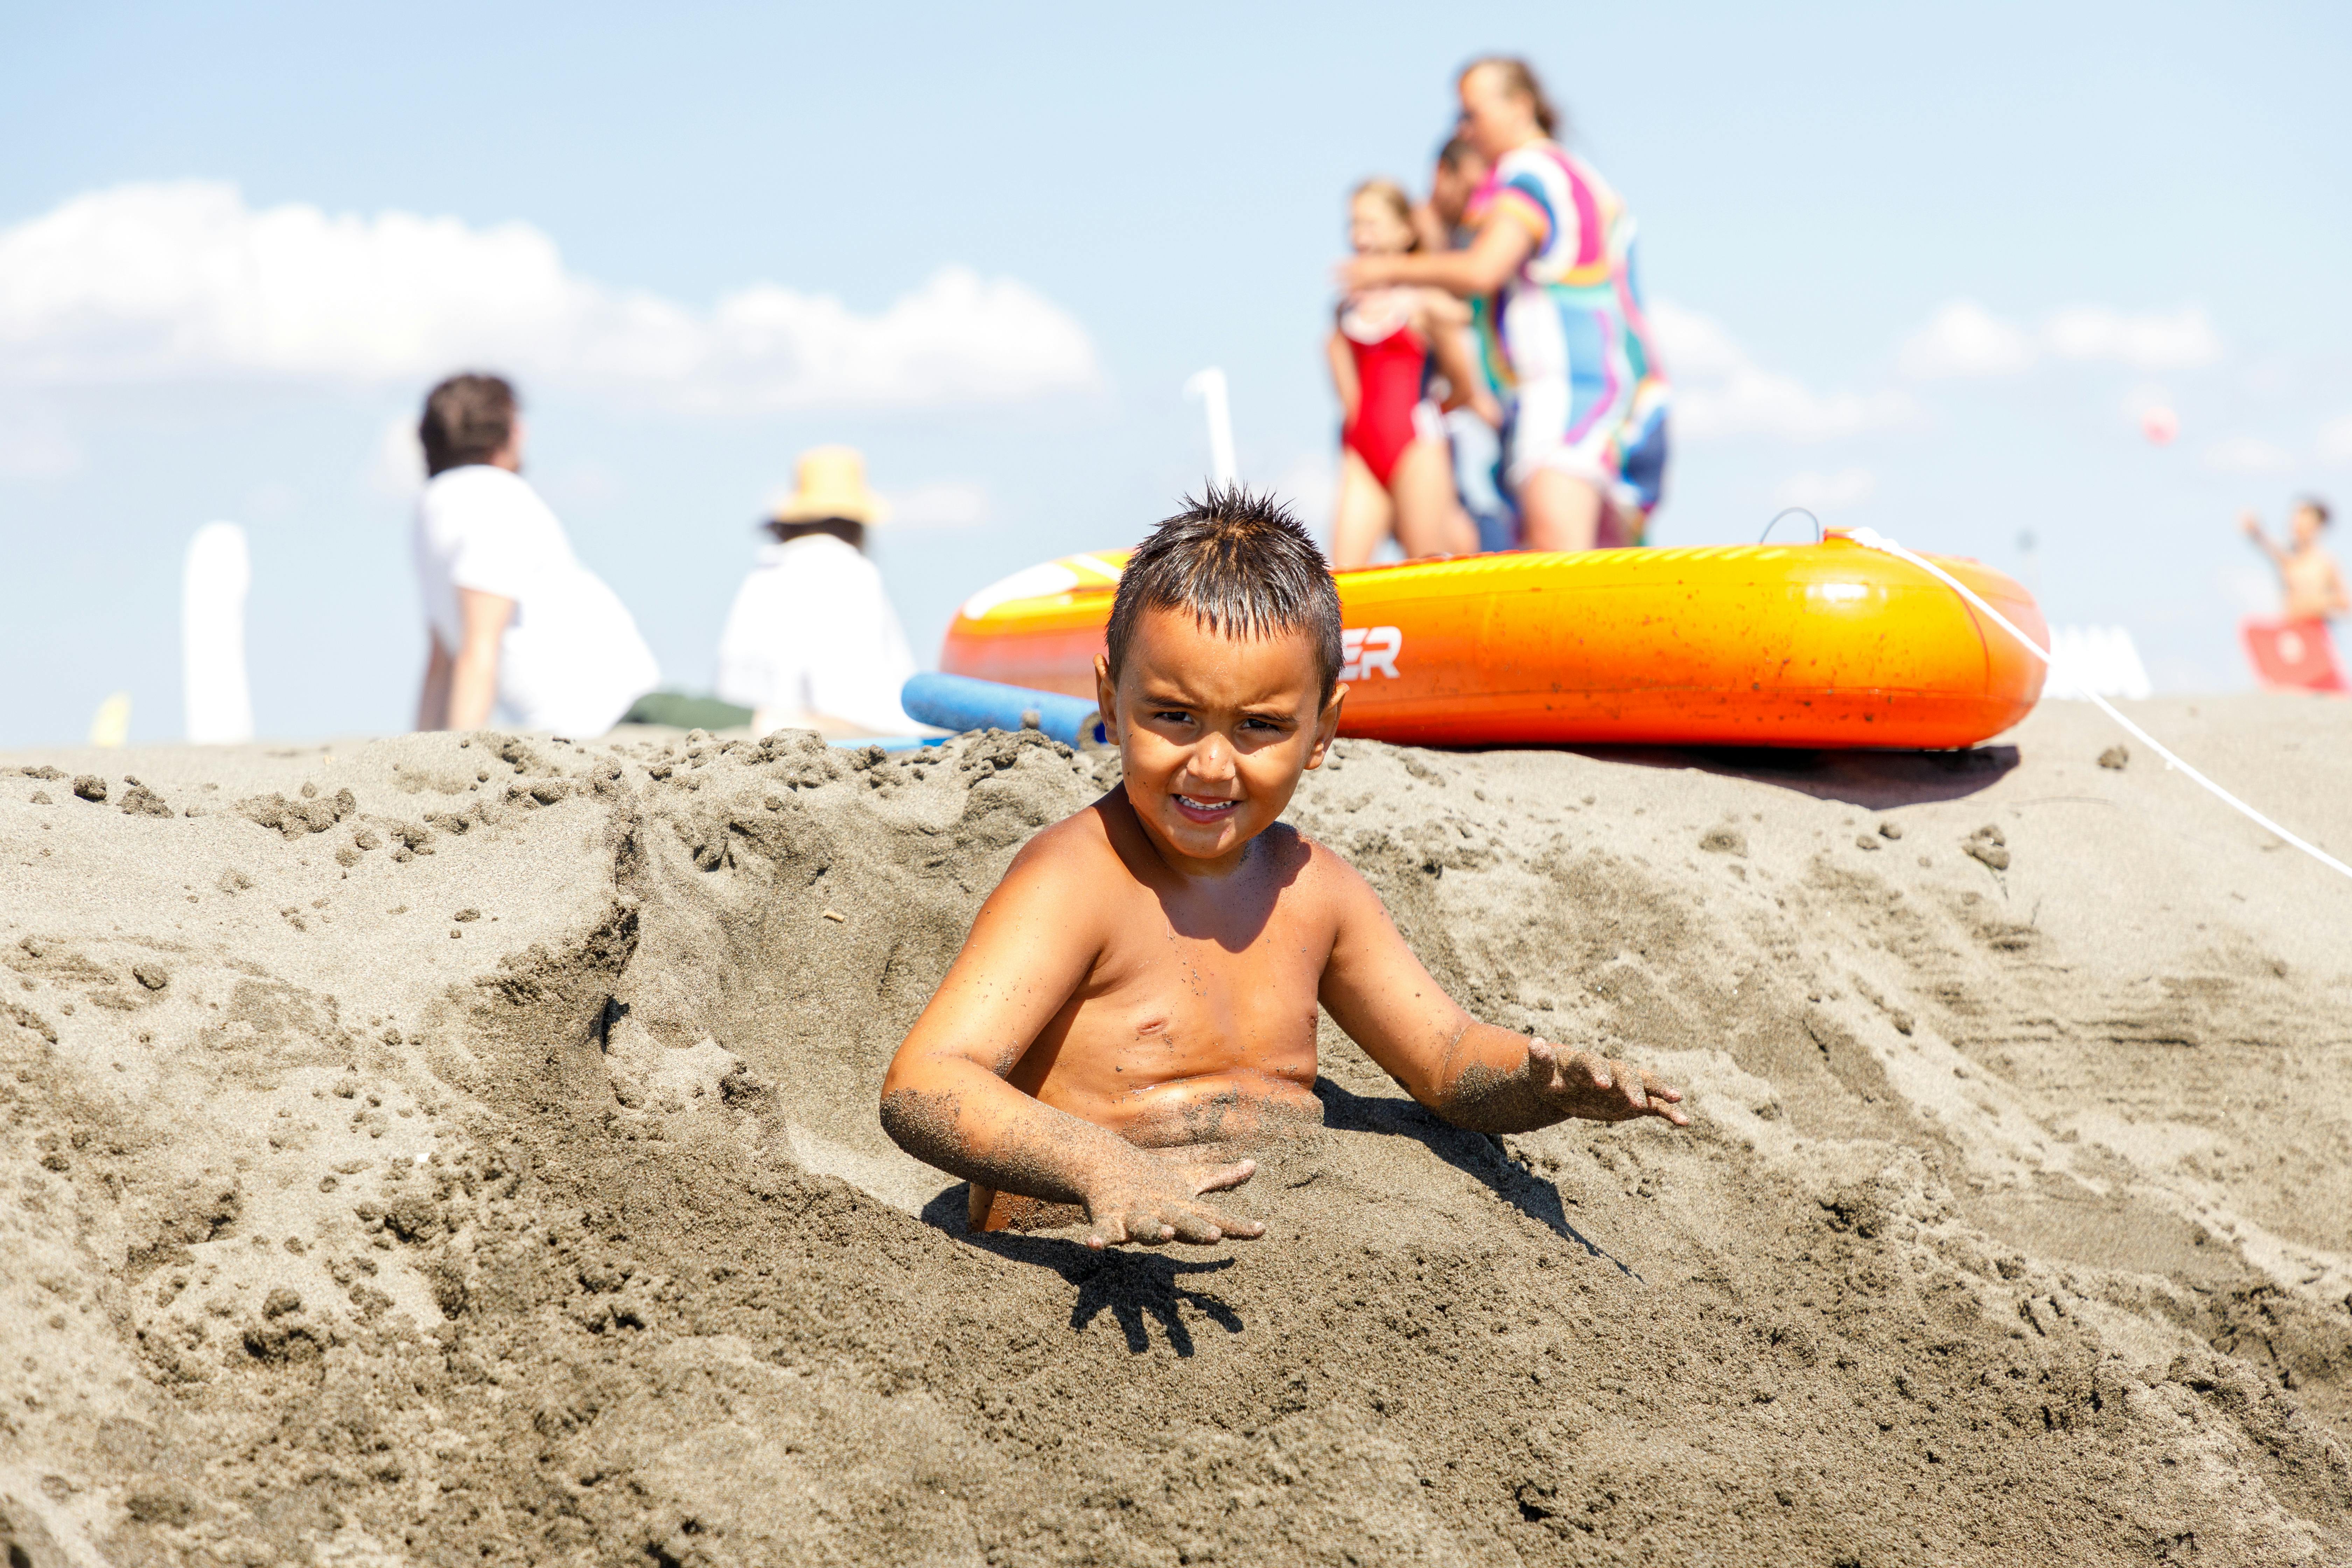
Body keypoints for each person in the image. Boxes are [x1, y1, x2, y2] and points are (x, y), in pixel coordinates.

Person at [878, 487, 1687, 1246]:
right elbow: (927, 1083)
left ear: (1323, 731)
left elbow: (1444, 1058)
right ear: (1109, 702)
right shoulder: (1076, 878)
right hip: (1079, 1248)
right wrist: (1101, 1164)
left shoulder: (1317, 891)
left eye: (1260, 727)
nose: (1212, 764)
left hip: (1283, 1261)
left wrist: (1541, 1083)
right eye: (1173, 716)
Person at [1340, 58, 1670, 552]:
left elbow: (1482, 269)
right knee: (1603, 570)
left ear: (1519, 106)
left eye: (1471, 114)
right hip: (1622, 397)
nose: (1463, 130)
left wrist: (1387, 271)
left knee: (1553, 566)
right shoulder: (1579, 176)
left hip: (1570, 397)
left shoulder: (1530, 174)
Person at [412, 373, 658, 735]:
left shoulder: (433, 506)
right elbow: (479, 647)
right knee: (765, 722)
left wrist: (416, 756)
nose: (524, 434)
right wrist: (454, 765)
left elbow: (442, 659)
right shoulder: (490, 497)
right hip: (621, 714)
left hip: (597, 717)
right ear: (505, 433)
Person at [1327, 180, 1486, 569]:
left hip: (1416, 443)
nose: (1359, 236)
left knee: (1424, 565)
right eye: (1354, 225)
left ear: (1404, 232)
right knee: (1342, 578)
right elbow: (1349, 393)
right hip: (1362, 450)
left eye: (1371, 224)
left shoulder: (1425, 304)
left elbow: (1466, 385)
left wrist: (1434, 415)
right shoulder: (1345, 310)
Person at [715, 446, 920, 736]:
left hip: (746, 746)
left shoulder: (762, 575)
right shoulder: (851, 574)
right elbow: (862, 702)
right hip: (825, 750)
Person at [1420, 134, 1517, 554]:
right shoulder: (1423, 238)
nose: (1478, 202)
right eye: (1471, 189)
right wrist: (1475, 399)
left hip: (1468, 412)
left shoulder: (1460, 237)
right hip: (1448, 418)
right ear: (1443, 176)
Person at [2239, 498, 2348, 692]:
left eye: (2305, 521)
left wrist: (2319, 603)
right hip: (2289, 634)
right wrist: (2255, 531)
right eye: (2295, 520)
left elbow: (2345, 601)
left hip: (2314, 632)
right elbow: (2269, 546)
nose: (2297, 526)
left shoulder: (2325, 563)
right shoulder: (2289, 559)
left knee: (2327, 687)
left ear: (2318, 527)